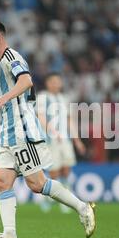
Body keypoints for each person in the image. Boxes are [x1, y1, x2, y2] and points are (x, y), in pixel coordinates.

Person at [0, 19, 96, 238]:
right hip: (8, 132)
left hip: (22, 133)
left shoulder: (11, 57)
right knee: (2, 182)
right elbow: (26, 97)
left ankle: (83, 207)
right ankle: (9, 234)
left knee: (37, 183)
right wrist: (6, 119)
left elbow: (27, 81)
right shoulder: (3, 63)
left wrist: (3, 100)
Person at [35, 73, 86, 213]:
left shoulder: (64, 98)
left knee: (66, 169)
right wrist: (52, 131)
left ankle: (66, 201)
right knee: (54, 171)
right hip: (50, 140)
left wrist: (77, 141)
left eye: (58, 81)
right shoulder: (42, 97)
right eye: (53, 81)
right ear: (47, 83)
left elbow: (70, 120)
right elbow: (41, 117)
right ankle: (48, 199)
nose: (56, 84)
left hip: (65, 140)